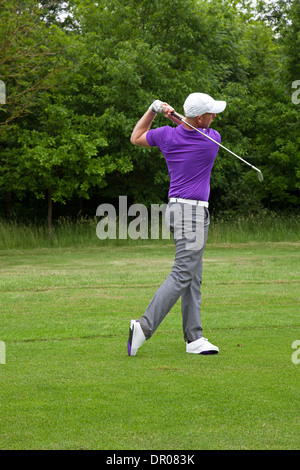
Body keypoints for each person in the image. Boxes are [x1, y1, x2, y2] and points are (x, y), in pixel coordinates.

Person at [127, 92, 226, 356]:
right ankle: (143, 326)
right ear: (200, 117)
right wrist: (178, 119)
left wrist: (153, 110)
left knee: (193, 275)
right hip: (192, 215)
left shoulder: (167, 135)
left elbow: (136, 137)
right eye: (210, 113)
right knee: (183, 272)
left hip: (176, 210)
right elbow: (193, 129)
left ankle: (194, 338)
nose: (214, 117)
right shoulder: (211, 139)